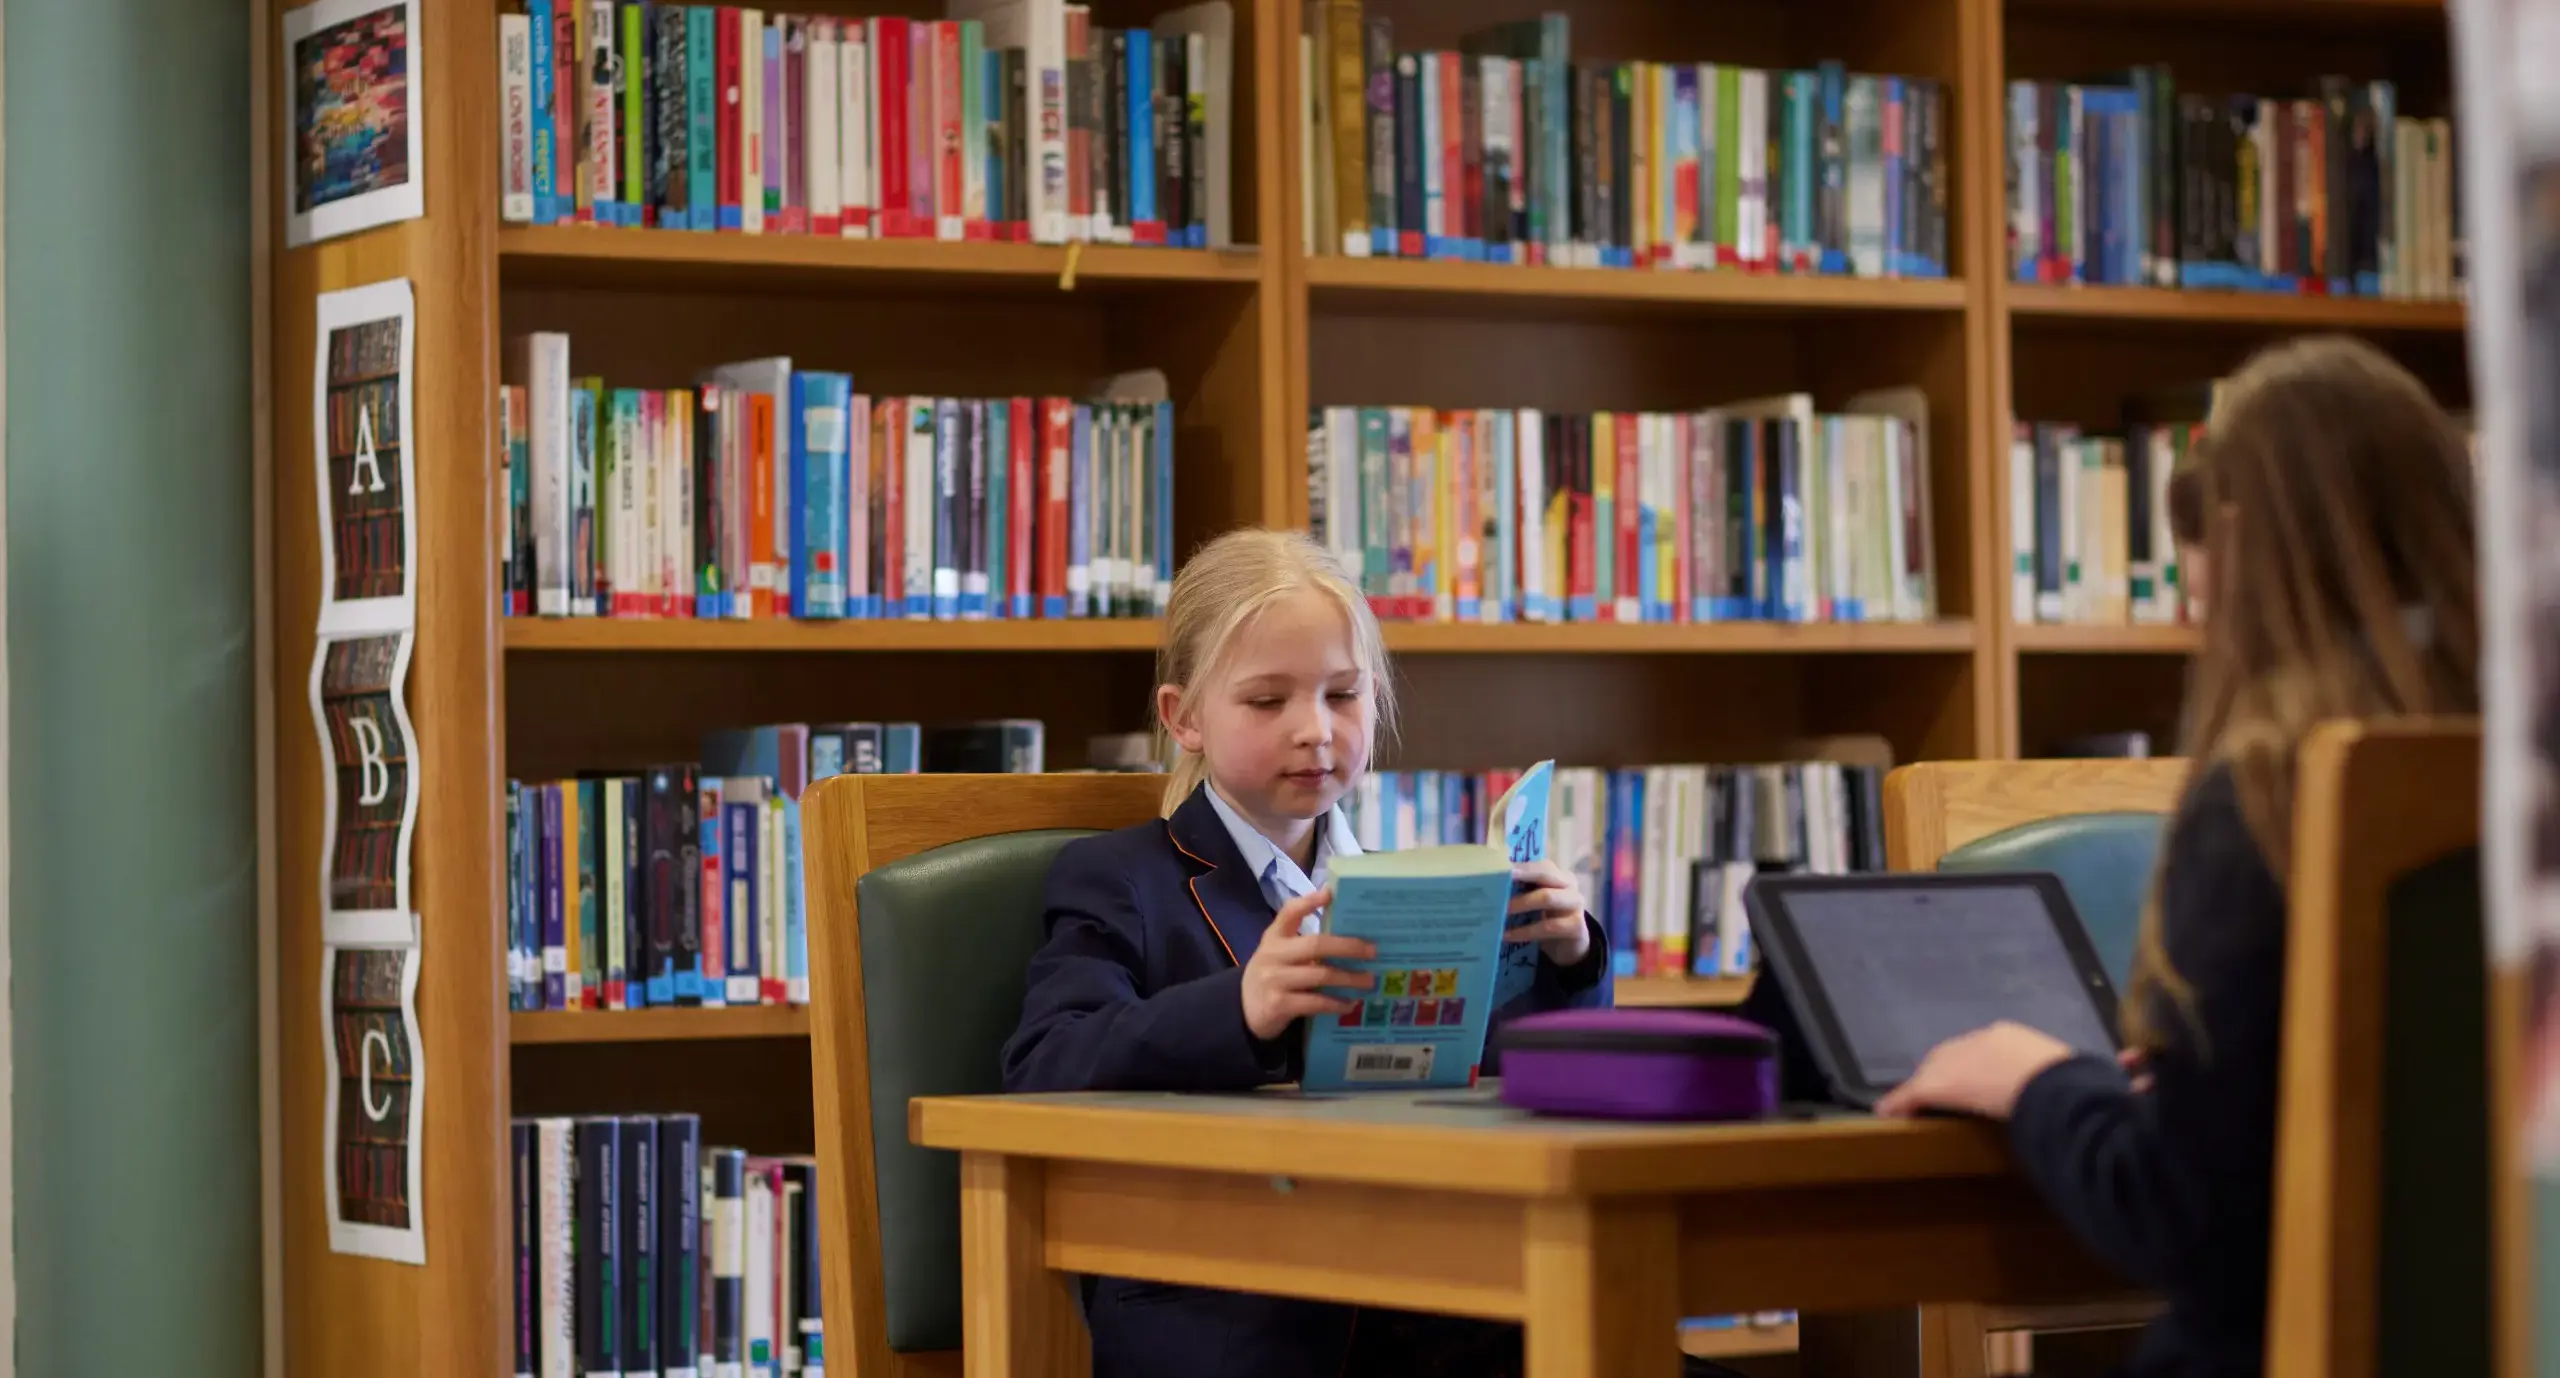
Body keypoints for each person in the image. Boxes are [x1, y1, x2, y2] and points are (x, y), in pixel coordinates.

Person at [1874, 334, 2480, 1377]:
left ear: (2240, 542)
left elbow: (2186, 1217)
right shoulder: (2508, 776)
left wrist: (2036, 1080)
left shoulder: (2270, 796)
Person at [1001, 527, 1617, 1378]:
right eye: (1266, 701)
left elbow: (1511, 1073)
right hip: (1226, 1312)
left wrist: (1566, 959)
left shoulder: (1417, 884)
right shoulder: (1119, 879)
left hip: (1431, 1297)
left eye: (1343, 695)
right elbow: (1043, 1062)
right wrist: (1241, 1009)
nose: (1315, 732)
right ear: (1184, 717)